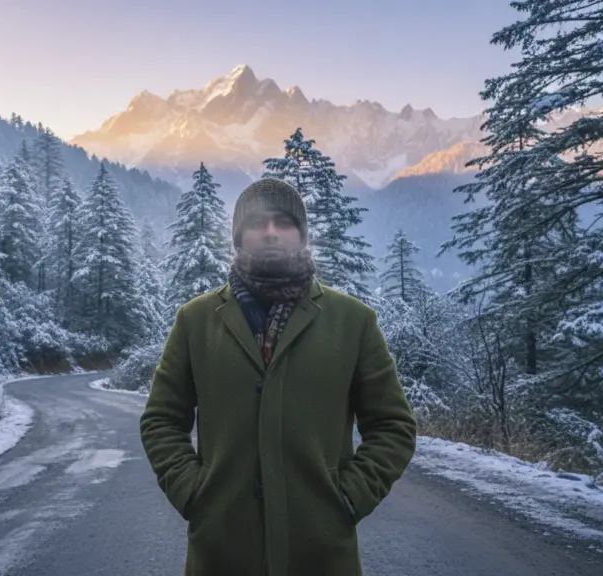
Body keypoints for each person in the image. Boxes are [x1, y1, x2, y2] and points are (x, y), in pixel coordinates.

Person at [139, 178, 418, 576]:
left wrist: (350, 498)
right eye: (257, 222)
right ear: (239, 236)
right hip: (220, 551)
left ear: (301, 234)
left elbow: (394, 425)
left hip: (322, 555)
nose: (270, 232)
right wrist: (193, 493)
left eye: (284, 222)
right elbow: (161, 420)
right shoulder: (195, 321)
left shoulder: (353, 321)